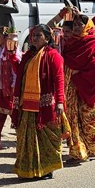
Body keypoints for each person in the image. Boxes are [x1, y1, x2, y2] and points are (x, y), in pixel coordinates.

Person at [58, 11, 95, 161]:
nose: (77, 27)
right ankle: (78, 151)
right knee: (73, 119)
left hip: (88, 85)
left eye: (81, 24)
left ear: (87, 26)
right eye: (76, 24)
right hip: (72, 86)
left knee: (88, 117)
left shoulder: (93, 43)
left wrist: (80, 71)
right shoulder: (69, 43)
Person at [12, 25, 66, 178]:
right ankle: (28, 170)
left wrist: (60, 101)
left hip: (44, 104)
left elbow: (59, 79)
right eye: (33, 35)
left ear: (47, 38)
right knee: (26, 137)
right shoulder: (29, 55)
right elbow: (21, 74)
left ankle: (47, 168)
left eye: (38, 35)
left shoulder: (53, 56)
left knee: (46, 137)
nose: (34, 38)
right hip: (26, 105)